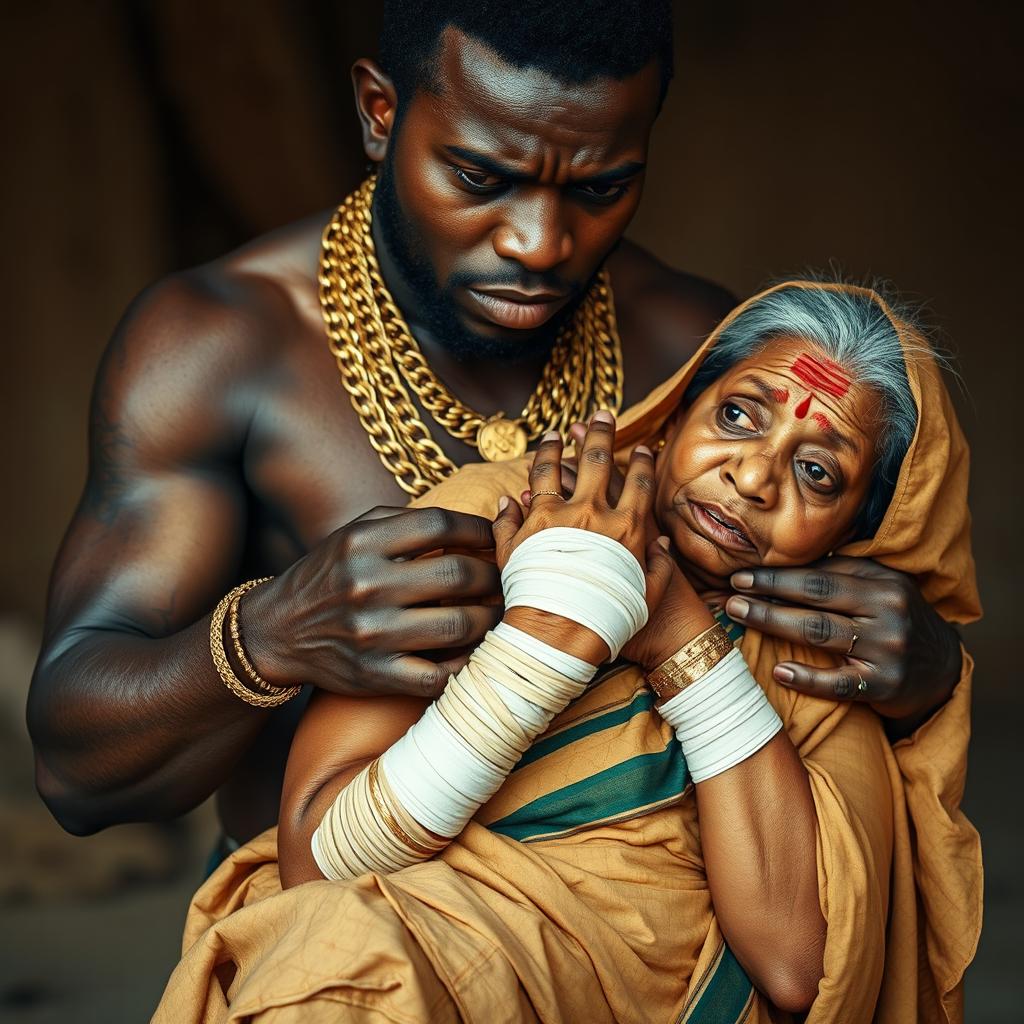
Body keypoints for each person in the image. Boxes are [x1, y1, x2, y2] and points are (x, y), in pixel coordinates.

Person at [28, 2, 962, 853]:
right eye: (480, 175)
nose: (539, 242)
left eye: (599, 189)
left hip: (647, 945)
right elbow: (76, 773)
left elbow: (811, 730)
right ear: (379, 113)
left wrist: (924, 679)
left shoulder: (698, 355)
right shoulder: (219, 348)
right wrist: (267, 636)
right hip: (339, 937)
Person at [154, 280, 980, 1023]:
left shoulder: (819, 667)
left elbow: (797, 967)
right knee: (341, 960)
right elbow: (324, 855)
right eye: (737, 415)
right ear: (679, 408)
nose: (755, 478)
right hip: (409, 945)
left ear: (860, 531)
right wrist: (558, 621)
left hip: (646, 998)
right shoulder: (501, 514)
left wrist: (681, 637)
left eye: (818, 473)